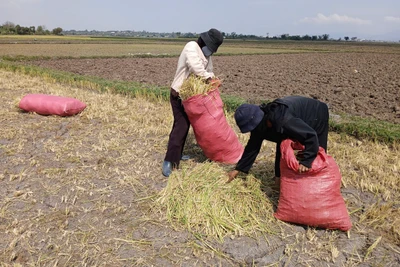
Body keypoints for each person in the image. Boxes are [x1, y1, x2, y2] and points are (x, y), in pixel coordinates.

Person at [162, 28, 224, 177]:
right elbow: (196, 67)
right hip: (179, 95)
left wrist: (213, 80)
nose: (210, 51)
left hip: (192, 99)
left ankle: (177, 154)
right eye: (210, 47)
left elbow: (209, 70)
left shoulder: (206, 56)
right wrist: (209, 78)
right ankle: (169, 161)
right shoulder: (191, 47)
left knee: (184, 126)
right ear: (204, 41)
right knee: (181, 127)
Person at [227, 96, 330, 184]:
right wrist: (239, 169)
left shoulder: (284, 121)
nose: (253, 131)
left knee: (318, 154)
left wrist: (307, 161)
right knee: (291, 144)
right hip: (297, 114)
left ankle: (321, 182)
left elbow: (310, 136)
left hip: (316, 114)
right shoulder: (261, 123)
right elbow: (253, 146)